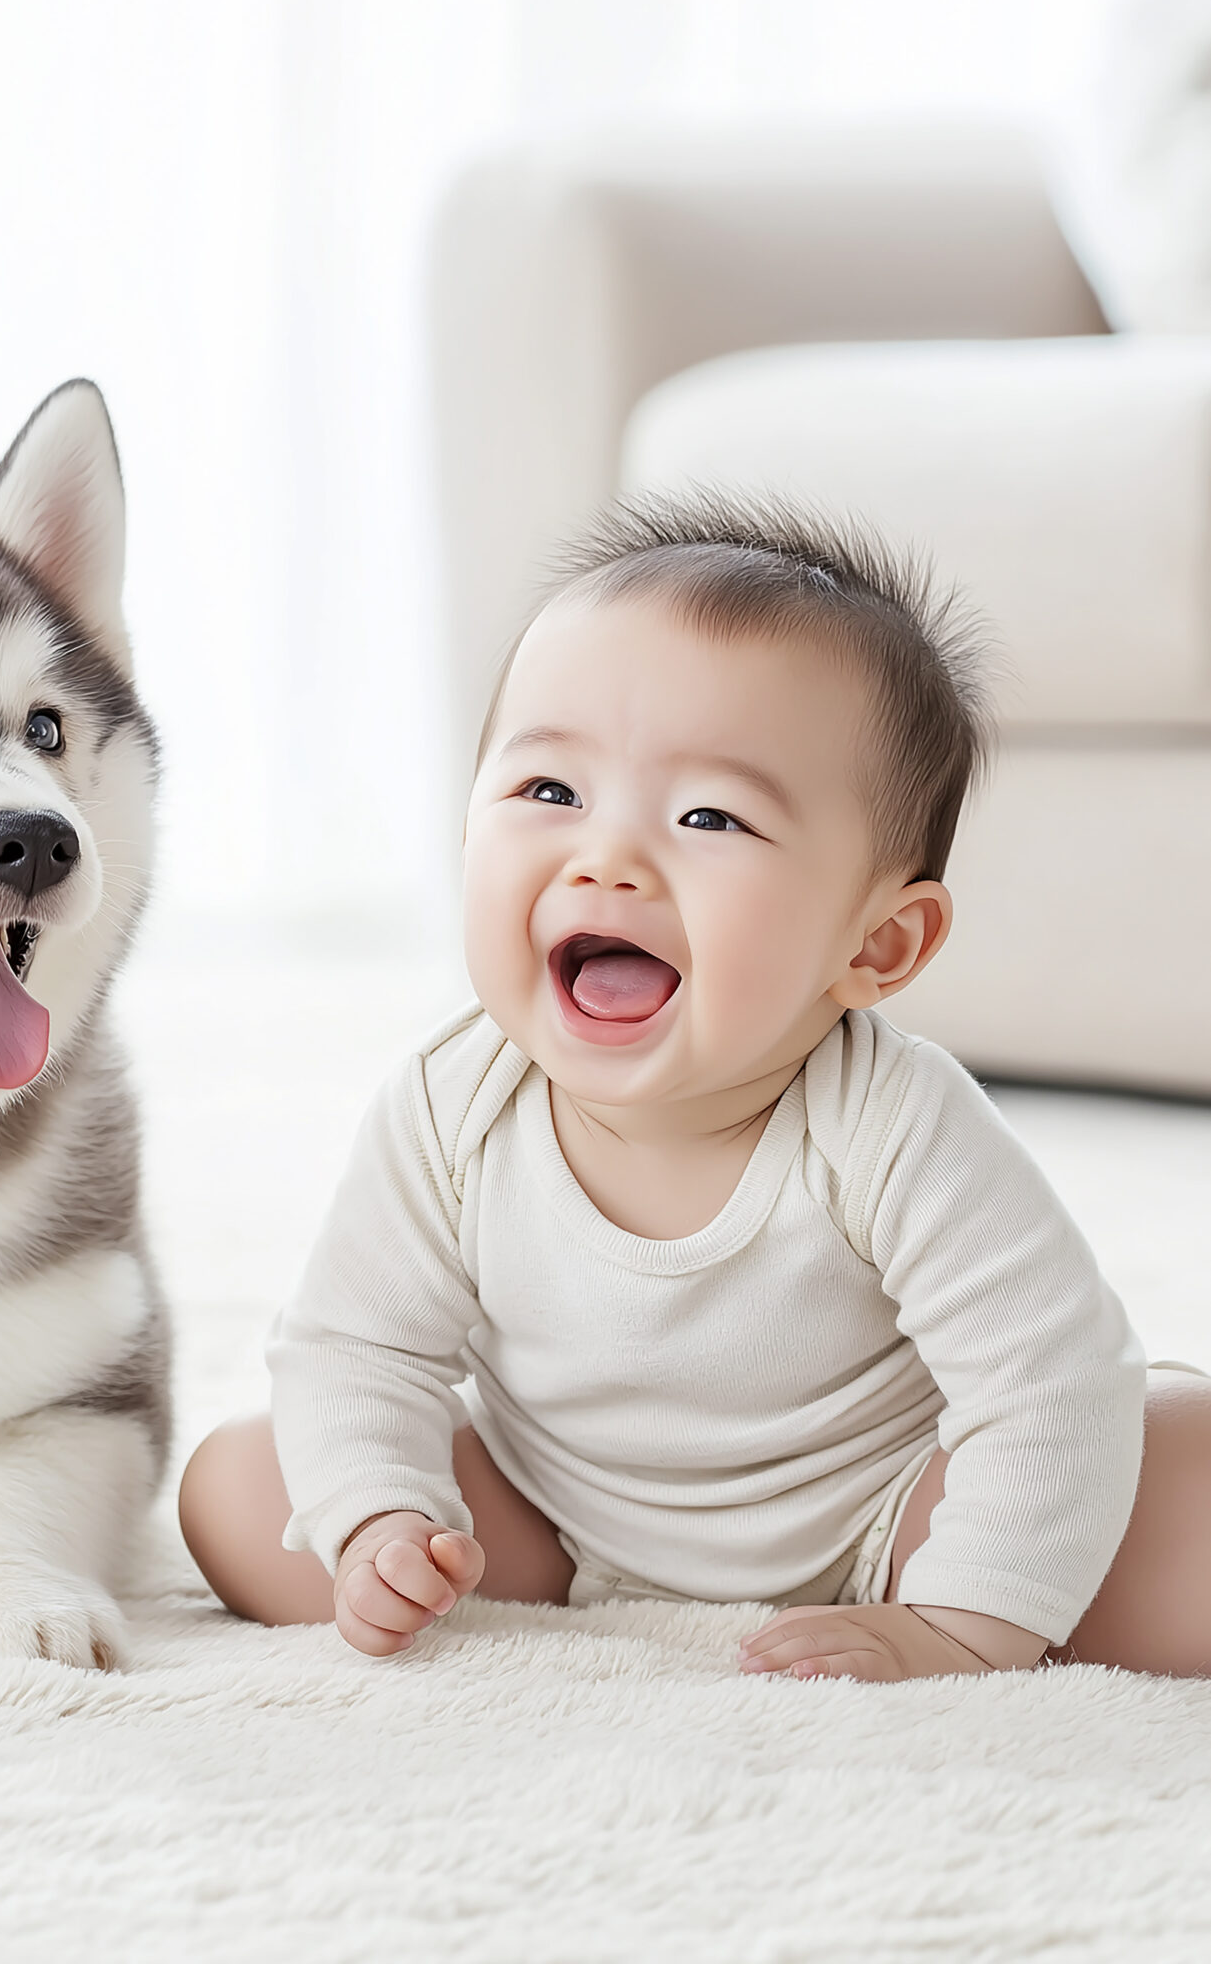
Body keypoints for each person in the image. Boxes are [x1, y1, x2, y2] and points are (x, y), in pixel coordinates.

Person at [178, 494, 1211, 1679]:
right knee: (241, 1486)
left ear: (877, 944)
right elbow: (357, 1349)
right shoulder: (451, 1109)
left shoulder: (895, 1125)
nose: (607, 858)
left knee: (1161, 1465)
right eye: (550, 792)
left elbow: (1046, 1377)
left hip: (898, 1511)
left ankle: (960, 1582)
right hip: (548, 1513)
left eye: (709, 815)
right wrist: (380, 1521)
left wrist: (962, 1623)